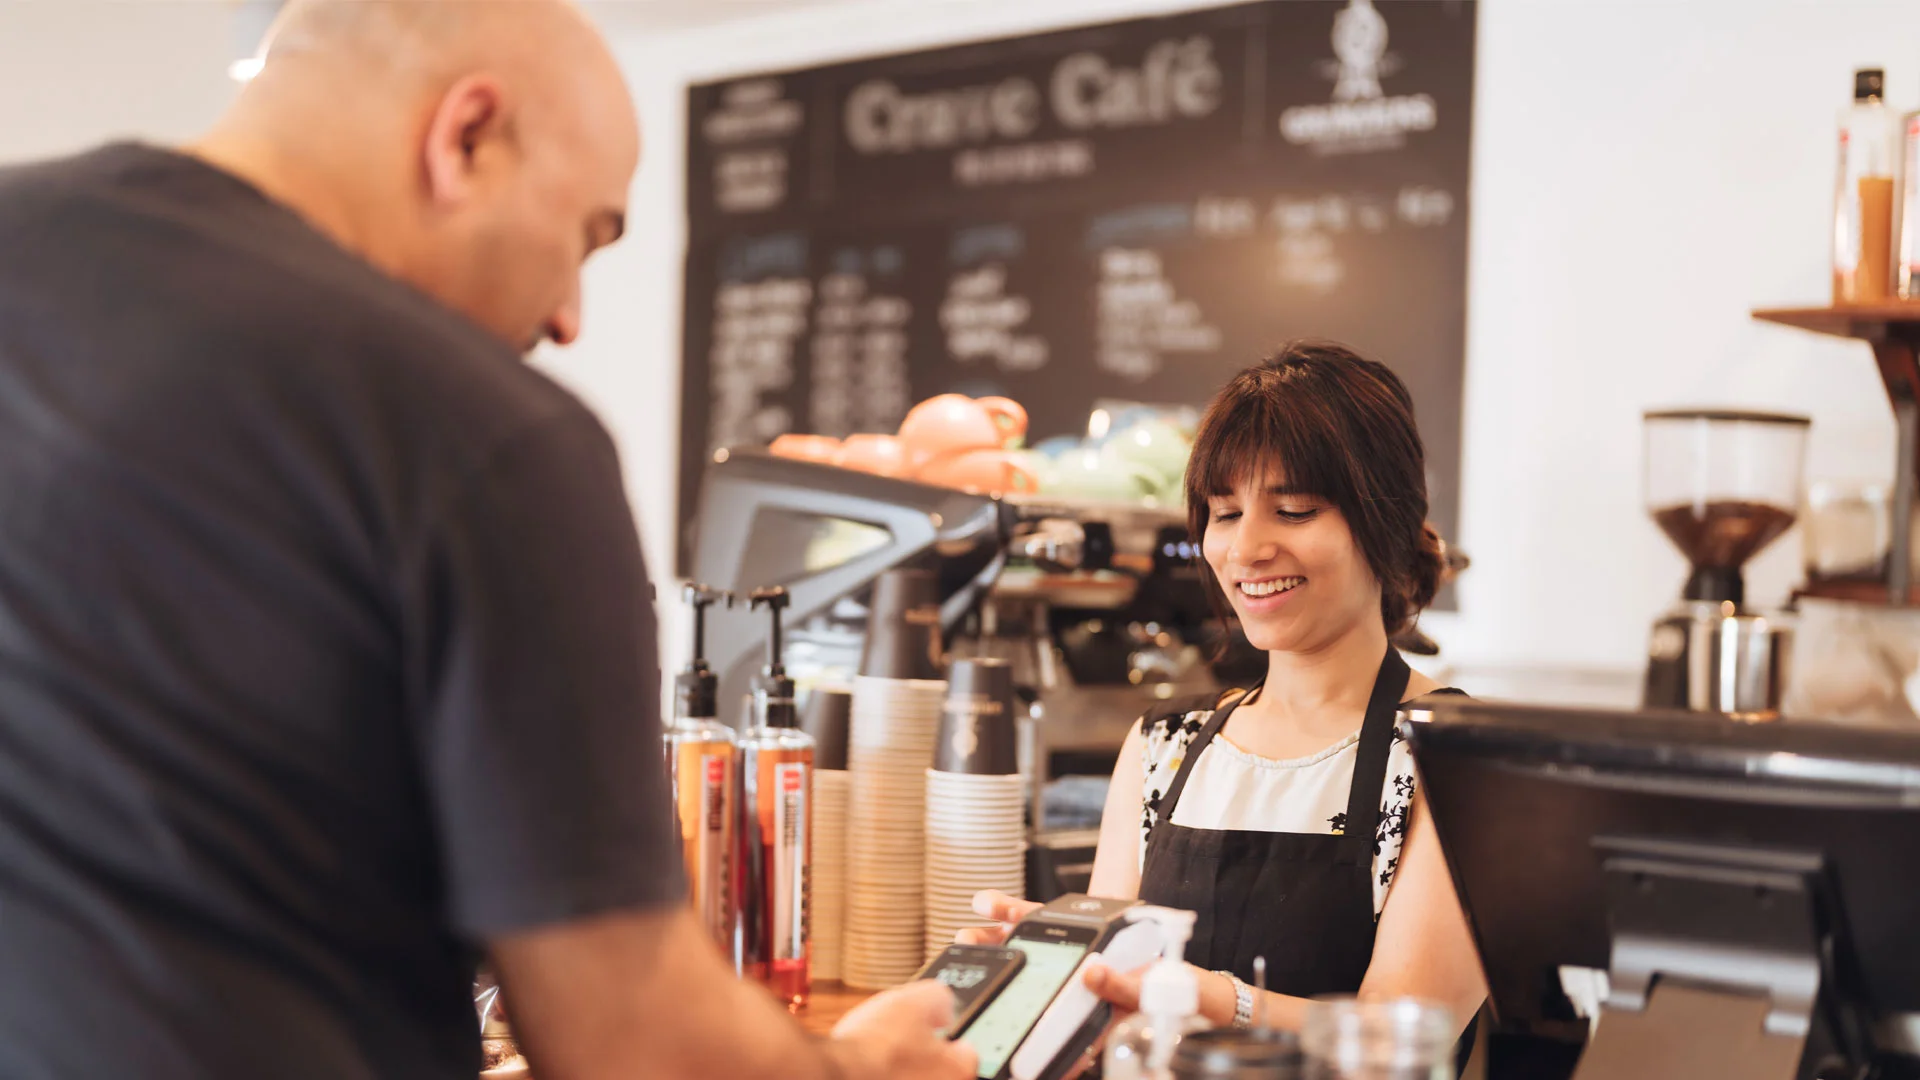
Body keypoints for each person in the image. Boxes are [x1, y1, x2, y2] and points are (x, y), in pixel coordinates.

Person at [0, 3, 972, 1078]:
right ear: (467, 136)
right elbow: (631, 1042)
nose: (569, 318)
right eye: (587, 237)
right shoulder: (482, 429)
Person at [963, 342, 1486, 1040]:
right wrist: (1054, 973)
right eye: (1225, 512)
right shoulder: (1163, 747)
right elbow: (1111, 1004)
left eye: (1294, 510)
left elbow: (1400, 1037)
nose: (1246, 550)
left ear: (1383, 525)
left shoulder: (1455, 757)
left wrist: (1212, 999)